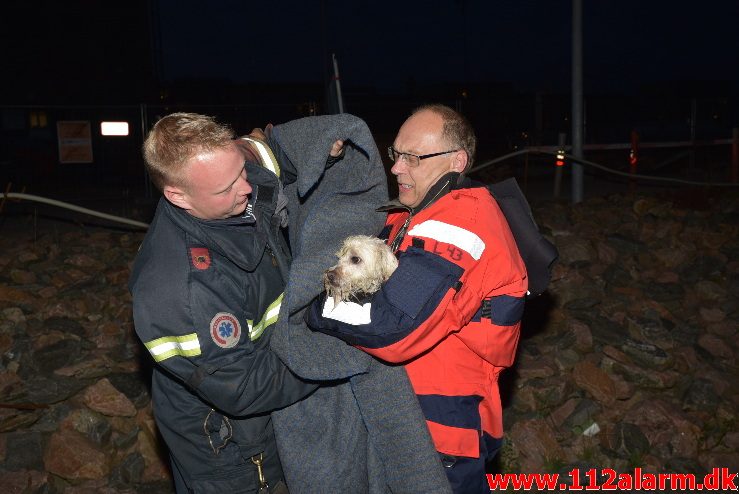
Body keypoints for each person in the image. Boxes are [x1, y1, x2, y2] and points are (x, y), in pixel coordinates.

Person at [306, 104, 528, 493]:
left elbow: (389, 326)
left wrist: (312, 308)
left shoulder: (460, 224)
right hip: (408, 419)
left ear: (456, 162)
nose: (396, 168)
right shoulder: (411, 216)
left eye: (413, 157)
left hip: (443, 432)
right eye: (396, 155)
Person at [129, 112, 326, 493]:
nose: (246, 189)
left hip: (266, 415)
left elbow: (258, 158)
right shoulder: (179, 291)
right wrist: (338, 350)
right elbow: (246, 388)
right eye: (226, 188)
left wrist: (321, 143)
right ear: (177, 195)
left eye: (239, 171)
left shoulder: (224, 179)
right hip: (231, 454)